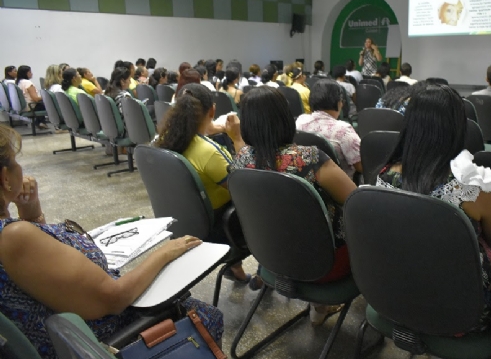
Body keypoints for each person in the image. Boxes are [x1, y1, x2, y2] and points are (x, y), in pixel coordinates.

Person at [0, 126, 223, 359]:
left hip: (76, 315)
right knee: (206, 315)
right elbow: (114, 299)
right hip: (94, 339)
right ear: (5, 178)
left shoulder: (14, 234)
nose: (21, 169)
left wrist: (31, 210)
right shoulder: (14, 237)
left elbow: (36, 266)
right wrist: (163, 253)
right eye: (15, 162)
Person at [377, 83, 491, 329]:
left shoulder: (382, 176)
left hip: (396, 294)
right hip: (460, 311)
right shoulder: (473, 186)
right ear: (458, 128)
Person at [227, 87, 357, 324]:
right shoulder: (311, 159)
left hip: (270, 257)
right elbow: (357, 204)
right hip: (326, 264)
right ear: (286, 119)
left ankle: (319, 307)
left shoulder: (241, 161)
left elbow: (246, 153)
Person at [155, 84, 250, 283]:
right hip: (221, 227)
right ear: (213, 110)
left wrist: (220, 128)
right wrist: (238, 139)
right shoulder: (208, 153)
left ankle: (236, 270)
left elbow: (204, 132)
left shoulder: (163, 139)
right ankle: (271, 276)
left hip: (184, 221)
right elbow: (245, 189)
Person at [296, 79, 362, 179]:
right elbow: (361, 167)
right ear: (339, 102)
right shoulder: (343, 131)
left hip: (307, 185)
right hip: (339, 188)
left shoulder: (300, 121)